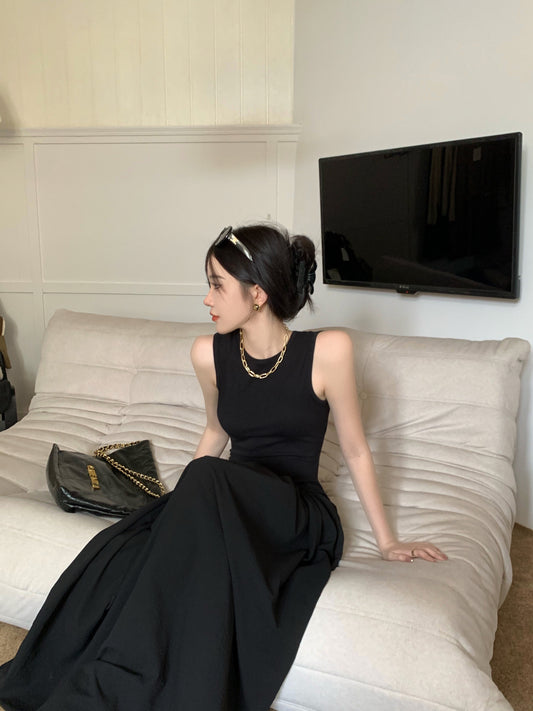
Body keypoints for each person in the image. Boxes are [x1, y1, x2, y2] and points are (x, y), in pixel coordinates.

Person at [0, 223, 446, 711]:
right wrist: (179, 510)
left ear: (257, 293)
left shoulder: (328, 350)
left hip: (295, 511)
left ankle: (121, 685)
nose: (206, 299)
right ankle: (106, 673)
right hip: (231, 499)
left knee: (202, 482)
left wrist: (387, 541)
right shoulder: (208, 354)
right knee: (126, 548)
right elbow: (216, 432)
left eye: (217, 285)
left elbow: (356, 450)